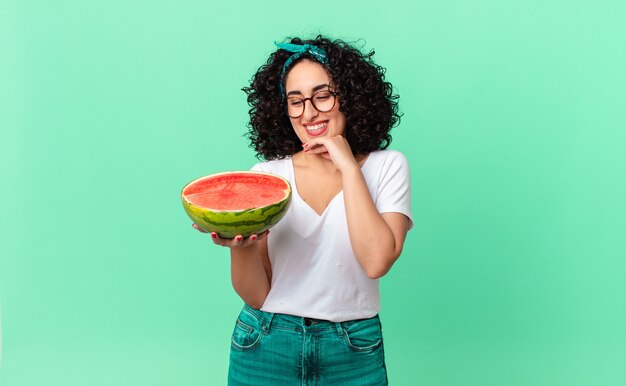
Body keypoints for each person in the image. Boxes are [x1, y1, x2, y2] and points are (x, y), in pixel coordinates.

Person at [193, 35, 413, 385]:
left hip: (353, 348)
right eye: (295, 102)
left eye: (322, 96)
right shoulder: (267, 176)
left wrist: (349, 167)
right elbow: (256, 294)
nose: (308, 112)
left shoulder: (388, 167)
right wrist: (242, 248)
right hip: (265, 341)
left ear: (352, 98)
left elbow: (376, 261)